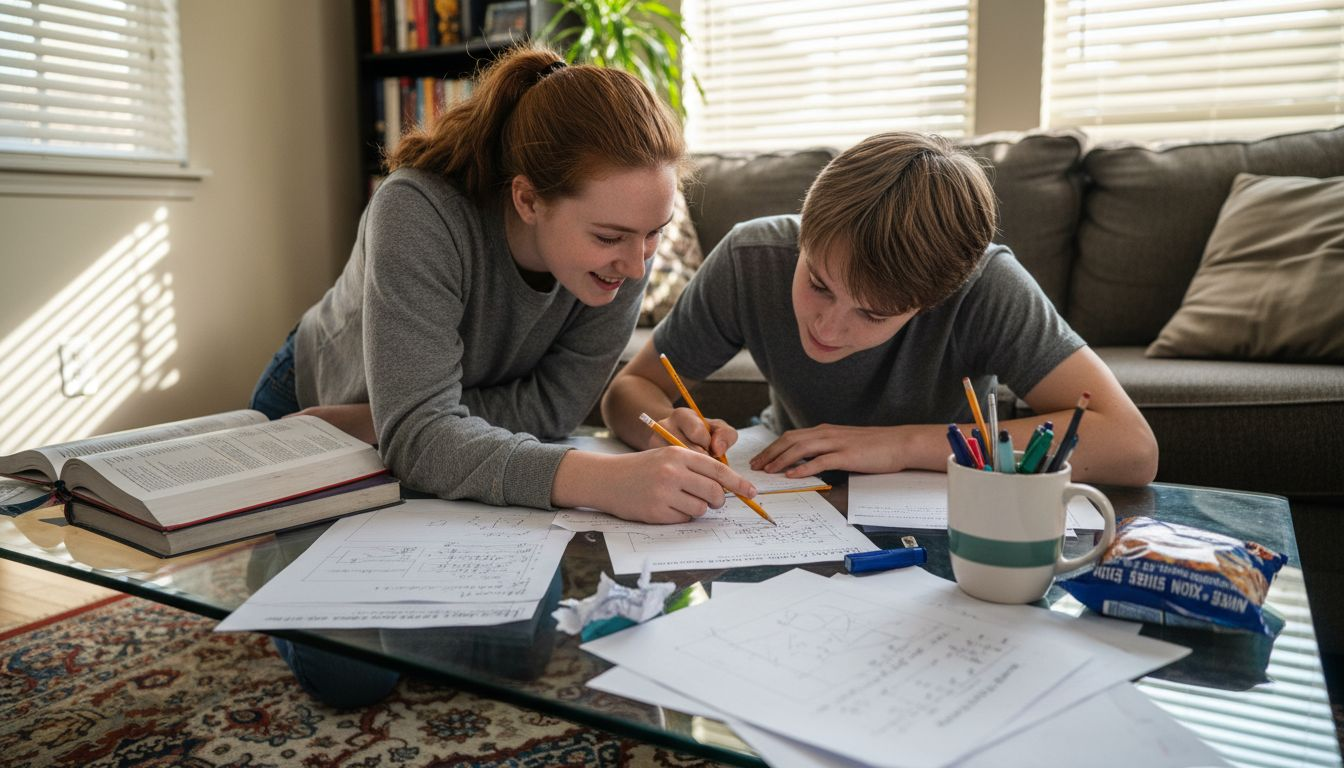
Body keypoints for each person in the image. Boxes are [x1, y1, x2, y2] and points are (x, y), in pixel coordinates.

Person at [248, 44, 755, 707]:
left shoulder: (623, 254)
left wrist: (409, 429)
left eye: (654, 234)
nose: (637, 266)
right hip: (321, 412)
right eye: (609, 238)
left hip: (380, 423)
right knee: (351, 677)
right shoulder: (418, 211)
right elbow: (429, 434)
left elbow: (547, 413)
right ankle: (269, 557)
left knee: (522, 644)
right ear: (526, 198)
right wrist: (598, 478)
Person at [602, 132, 1159, 487]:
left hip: (942, 494)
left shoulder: (986, 284)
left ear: (930, 302)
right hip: (794, 488)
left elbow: (1130, 447)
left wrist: (897, 445)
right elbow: (630, 393)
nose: (828, 325)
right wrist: (667, 431)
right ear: (805, 236)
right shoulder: (753, 258)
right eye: (818, 283)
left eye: (873, 315)